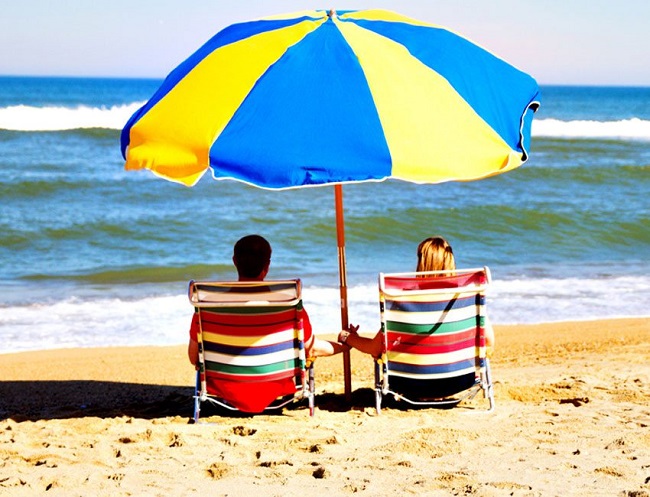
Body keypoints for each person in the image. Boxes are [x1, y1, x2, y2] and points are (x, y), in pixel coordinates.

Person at [187, 234, 346, 367]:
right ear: (268, 265)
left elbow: (194, 358)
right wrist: (346, 345)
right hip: (277, 384)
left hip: (223, 386)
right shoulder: (289, 304)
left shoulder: (208, 305)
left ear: (234, 261)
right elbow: (312, 348)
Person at [338, 236, 495, 358]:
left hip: (410, 383)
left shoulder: (405, 300)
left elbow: (375, 348)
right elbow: (488, 342)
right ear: (451, 262)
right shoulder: (467, 298)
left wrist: (347, 337)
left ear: (421, 263)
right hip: (460, 380)